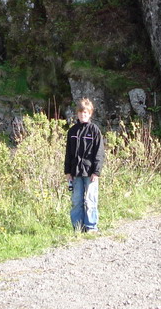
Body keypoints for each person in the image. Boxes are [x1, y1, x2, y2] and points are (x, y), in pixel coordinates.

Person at [64, 97, 104, 232]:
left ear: (90, 113)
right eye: (81, 113)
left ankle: (91, 227)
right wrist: (67, 172)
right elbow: (68, 153)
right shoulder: (72, 131)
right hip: (75, 172)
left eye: (85, 113)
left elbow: (99, 153)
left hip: (90, 172)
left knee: (91, 201)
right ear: (77, 114)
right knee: (76, 201)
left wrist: (96, 172)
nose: (83, 115)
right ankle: (78, 228)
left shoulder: (95, 131)